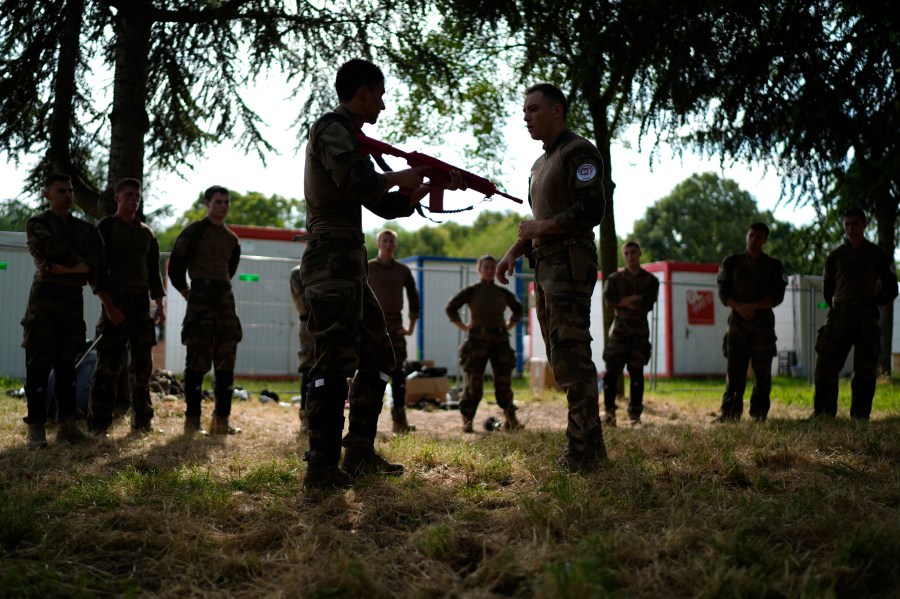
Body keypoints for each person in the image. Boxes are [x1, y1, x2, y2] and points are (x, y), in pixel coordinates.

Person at [300, 58, 461, 489]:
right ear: (364, 91)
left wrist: (418, 191)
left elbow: (379, 203)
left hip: (348, 263)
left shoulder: (351, 135)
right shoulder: (332, 129)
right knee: (332, 364)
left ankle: (359, 455)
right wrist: (403, 175)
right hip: (330, 260)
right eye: (381, 94)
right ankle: (320, 468)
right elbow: (357, 182)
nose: (384, 105)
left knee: (381, 357)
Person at [497, 83, 607, 472]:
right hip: (545, 269)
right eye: (525, 110)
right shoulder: (539, 164)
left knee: (572, 358)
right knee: (562, 361)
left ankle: (580, 452)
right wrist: (514, 251)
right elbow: (539, 229)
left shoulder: (578, 151)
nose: (526, 117)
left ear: (557, 110)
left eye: (534, 109)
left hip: (569, 267)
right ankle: (592, 450)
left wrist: (538, 227)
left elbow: (592, 210)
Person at [21, 173, 103, 447]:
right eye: (61, 190)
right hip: (44, 303)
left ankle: (66, 426)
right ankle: (35, 427)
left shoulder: (85, 229)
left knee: (67, 367)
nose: (67, 195)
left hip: (71, 302)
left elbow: (97, 261)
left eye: (70, 190)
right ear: (47, 194)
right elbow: (51, 255)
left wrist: (73, 267)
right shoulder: (38, 223)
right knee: (38, 367)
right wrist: (80, 266)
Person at [88, 178, 166, 436]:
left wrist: (160, 304)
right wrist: (109, 306)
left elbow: (153, 272)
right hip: (115, 301)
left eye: (137, 195)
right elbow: (96, 271)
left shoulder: (146, 233)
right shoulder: (106, 227)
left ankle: (142, 422)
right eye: (129, 194)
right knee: (108, 367)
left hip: (140, 305)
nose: (134, 199)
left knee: (143, 368)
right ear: (117, 198)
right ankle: (99, 425)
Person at [168, 185, 243, 435]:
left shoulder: (232, 239)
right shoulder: (194, 232)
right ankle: (192, 421)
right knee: (197, 362)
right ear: (207, 203)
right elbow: (175, 267)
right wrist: (188, 292)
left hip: (225, 300)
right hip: (200, 299)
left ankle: (221, 421)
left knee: (226, 362)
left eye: (226, 202)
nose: (223, 206)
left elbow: (230, 270)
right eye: (218, 202)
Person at [811, 208, 898, 420]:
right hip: (839, 314)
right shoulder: (835, 255)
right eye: (847, 224)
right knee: (825, 362)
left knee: (865, 369)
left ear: (864, 225)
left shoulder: (878, 254)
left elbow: (891, 287)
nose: (851, 228)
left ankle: (860, 416)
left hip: (866, 316)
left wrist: (874, 303)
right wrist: (836, 306)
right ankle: (823, 413)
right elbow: (827, 287)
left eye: (855, 224)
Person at [715, 222, 787, 422]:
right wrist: (740, 308)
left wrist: (753, 307)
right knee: (734, 372)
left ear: (765, 240)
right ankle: (730, 413)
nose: (754, 240)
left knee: (762, 374)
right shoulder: (731, 262)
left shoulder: (773, 266)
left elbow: (777, 296)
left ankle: (759, 413)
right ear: (747, 236)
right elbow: (723, 291)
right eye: (751, 235)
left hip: (762, 328)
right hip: (737, 326)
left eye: (758, 237)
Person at [446, 254, 524, 433]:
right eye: (486, 267)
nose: (489, 270)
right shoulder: (472, 291)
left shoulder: (502, 292)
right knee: (474, 383)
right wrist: (463, 326)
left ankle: (511, 420)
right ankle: (467, 421)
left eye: (492, 267)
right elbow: (451, 307)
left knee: (504, 382)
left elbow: (518, 308)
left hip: (500, 341)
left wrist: (510, 324)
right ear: (479, 270)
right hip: (476, 342)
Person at [367, 229, 421, 434]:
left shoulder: (402, 270)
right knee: (369, 373)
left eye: (391, 241)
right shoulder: (368, 267)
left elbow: (414, 298)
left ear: (395, 245)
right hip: (372, 325)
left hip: (395, 327)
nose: (388, 244)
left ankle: (399, 420)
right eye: (384, 240)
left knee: (398, 374)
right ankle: (366, 421)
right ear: (378, 244)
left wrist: (410, 327)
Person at [602, 241, 659, 427]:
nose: (630, 256)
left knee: (637, 373)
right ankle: (609, 413)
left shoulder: (651, 281)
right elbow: (609, 302)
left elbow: (647, 305)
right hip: (619, 331)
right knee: (611, 372)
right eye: (626, 253)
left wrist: (622, 302)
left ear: (640, 253)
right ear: (623, 255)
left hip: (639, 332)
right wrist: (633, 298)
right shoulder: (614, 279)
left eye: (633, 252)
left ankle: (635, 415)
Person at [288, 264, 314, 434]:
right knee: (309, 367)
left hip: (331, 323)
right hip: (309, 324)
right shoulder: (298, 272)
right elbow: (308, 301)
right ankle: (306, 416)